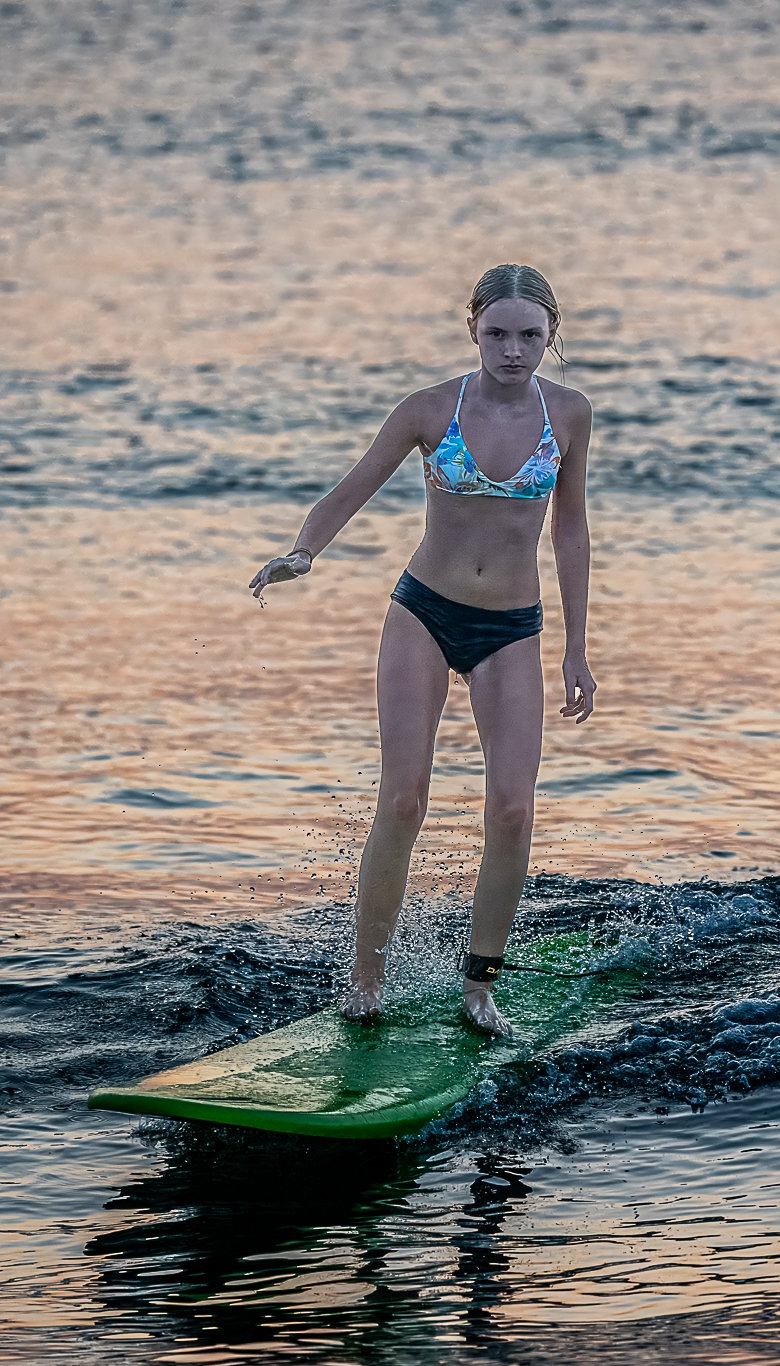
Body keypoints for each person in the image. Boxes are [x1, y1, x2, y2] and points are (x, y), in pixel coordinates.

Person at [247, 264, 596, 1036]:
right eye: (498, 332)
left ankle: (479, 989)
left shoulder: (568, 414)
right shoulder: (430, 409)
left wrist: (577, 647)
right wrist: (303, 553)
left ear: (551, 335)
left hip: (513, 629)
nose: (513, 349)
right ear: (473, 328)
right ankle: (366, 981)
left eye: (529, 335)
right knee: (403, 799)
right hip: (424, 615)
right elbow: (352, 486)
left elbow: (570, 531)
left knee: (511, 811)